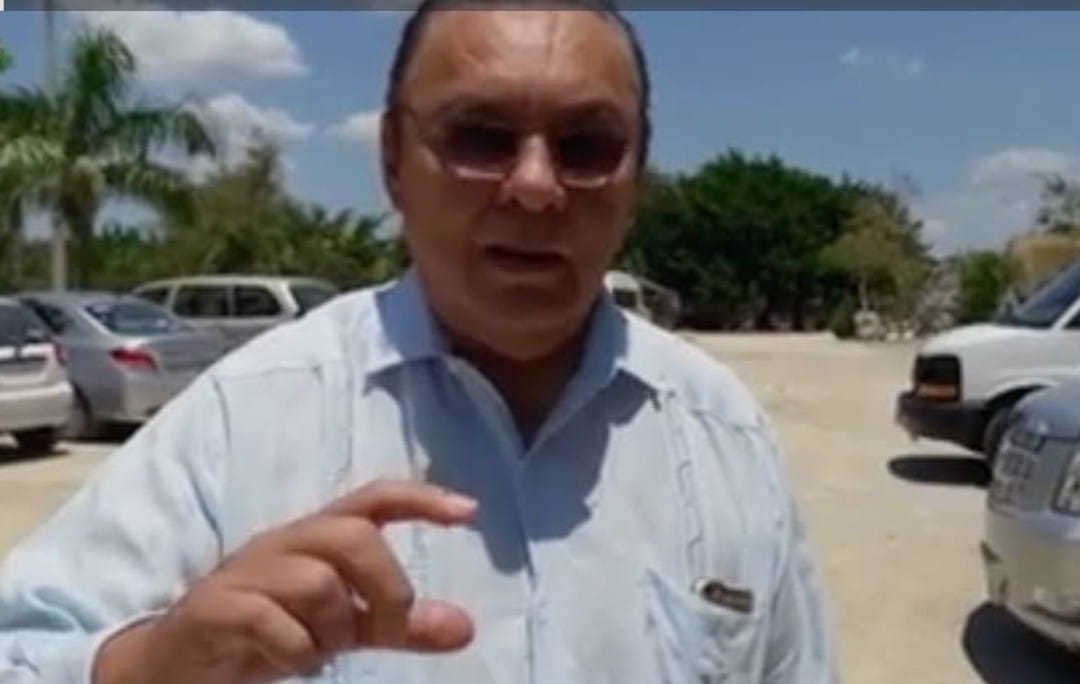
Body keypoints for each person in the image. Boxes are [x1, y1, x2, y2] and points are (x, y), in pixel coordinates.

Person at [0, 2, 836, 682]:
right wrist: (149, 664)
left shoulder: (721, 432)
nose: (536, 185)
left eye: (586, 146)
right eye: (481, 136)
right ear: (394, 161)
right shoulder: (246, 416)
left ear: (636, 178)